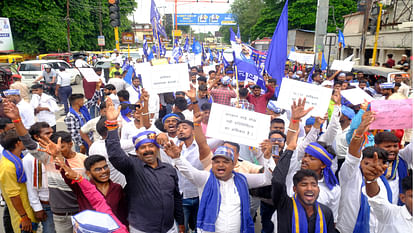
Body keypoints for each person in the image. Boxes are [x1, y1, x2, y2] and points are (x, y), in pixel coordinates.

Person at [104, 98, 185, 233]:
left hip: (170, 228)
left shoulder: (169, 170)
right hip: (142, 229)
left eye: (151, 146)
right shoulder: (132, 167)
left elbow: (175, 198)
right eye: (143, 148)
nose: (147, 150)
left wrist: (181, 223)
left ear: (157, 149)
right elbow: (115, 154)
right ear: (137, 152)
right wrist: (112, 125)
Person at [164, 141, 273, 233]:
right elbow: (189, 171)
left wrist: (267, 158)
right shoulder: (205, 179)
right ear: (212, 164)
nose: (220, 165)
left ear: (233, 164)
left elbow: (267, 179)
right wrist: (177, 158)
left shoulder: (243, 180)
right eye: (217, 162)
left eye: (225, 162)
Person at [337, 111, 393, 233]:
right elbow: (353, 155)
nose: (372, 167)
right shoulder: (350, 175)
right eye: (367, 163)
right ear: (360, 162)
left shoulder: (384, 184)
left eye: (378, 163)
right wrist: (360, 131)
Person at [0, 129, 38, 233]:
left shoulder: (18, 158)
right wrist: (24, 217)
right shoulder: (8, 166)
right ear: (18, 143)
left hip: (28, 210)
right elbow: (14, 195)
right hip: (22, 217)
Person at [363, 154, 412, 233]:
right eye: (412, 196)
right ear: (403, 198)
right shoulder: (392, 214)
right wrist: (371, 180)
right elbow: (377, 199)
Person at [22, 122, 55, 233]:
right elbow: (30, 185)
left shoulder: (56, 151)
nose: (51, 135)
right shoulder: (29, 159)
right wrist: (37, 208)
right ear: (36, 137)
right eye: (47, 133)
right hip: (46, 204)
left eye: (52, 132)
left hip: (61, 203)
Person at [64, 81, 101, 153]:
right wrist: (80, 145)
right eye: (82, 100)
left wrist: (97, 88)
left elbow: (93, 101)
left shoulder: (83, 109)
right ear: (78, 102)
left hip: (89, 138)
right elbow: (73, 133)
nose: (84, 102)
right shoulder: (70, 116)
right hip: (81, 142)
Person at [374, 131, 410, 205]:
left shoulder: (402, 160)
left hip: (397, 210)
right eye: (388, 146)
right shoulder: (368, 165)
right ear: (376, 147)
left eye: (395, 146)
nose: (392, 149)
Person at [89, 117, 127, 187]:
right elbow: (137, 141)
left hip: (102, 184)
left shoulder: (93, 146)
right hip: (119, 185)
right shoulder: (119, 145)